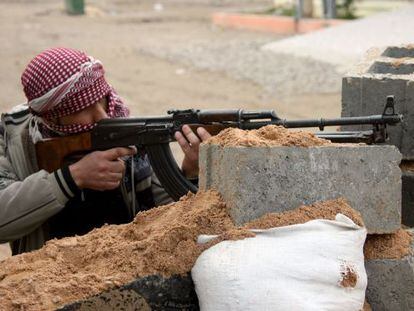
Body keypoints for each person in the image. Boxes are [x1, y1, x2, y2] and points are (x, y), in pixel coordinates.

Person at [0, 47, 211, 255]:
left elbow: (162, 214)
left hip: (124, 266)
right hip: (49, 278)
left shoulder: (121, 127)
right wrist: (72, 178)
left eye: (101, 99)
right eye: (83, 108)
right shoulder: (12, 138)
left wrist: (190, 173)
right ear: (53, 117)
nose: (102, 116)